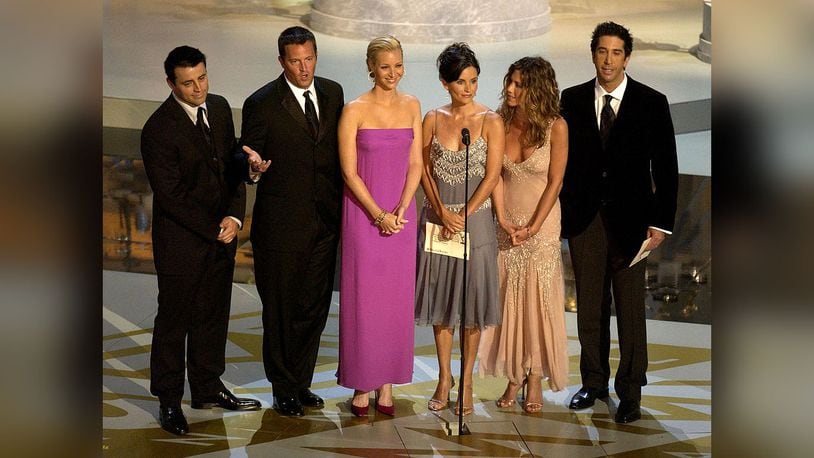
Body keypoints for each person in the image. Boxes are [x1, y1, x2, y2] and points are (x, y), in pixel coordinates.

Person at [560, 21, 678, 424]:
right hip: (585, 221)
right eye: (601, 51)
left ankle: (630, 391)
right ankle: (593, 382)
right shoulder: (571, 99)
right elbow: (564, 163)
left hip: (633, 223)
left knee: (630, 310)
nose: (608, 60)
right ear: (593, 54)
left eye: (616, 53)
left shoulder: (652, 101)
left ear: (627, 58)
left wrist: (661, 223)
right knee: (590, 307)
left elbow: (666, 167)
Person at [141, 45, 261, 436]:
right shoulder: (159, 129)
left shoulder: (221, 107)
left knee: (213, 315)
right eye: (188, 83)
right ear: (171, 84)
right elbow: (171, 196)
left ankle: (207, 388)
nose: (198, 88)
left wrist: (235, 210)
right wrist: (215, 225)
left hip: (220, 234)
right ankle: (169, 400)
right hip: (181, 243)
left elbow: (231, 164)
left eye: (202, 78)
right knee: (175, 321)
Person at [239, 26, 345, 417]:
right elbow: (246, 155)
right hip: (281, 227)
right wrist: (253, 168)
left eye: (309, 58)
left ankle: (300, 382)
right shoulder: (262, 103)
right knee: (281, 310)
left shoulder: (333, 93)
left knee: (313, 308)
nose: (304, 68)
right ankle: (283, 386)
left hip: (325, 223)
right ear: (282, 61)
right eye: (295, 60)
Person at [336, 36, 423, 417]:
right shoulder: (354, 109)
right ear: (371, 67)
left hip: (401, 217)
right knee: (364, 302)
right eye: (385, 66)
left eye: (398, 65)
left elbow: (416, 164)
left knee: (394, 304)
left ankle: (386, 382)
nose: (393, 73)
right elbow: (349, 172)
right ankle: (361, 382)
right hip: (363, 217)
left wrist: (402, 207)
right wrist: (378, 214)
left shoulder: (412, 105)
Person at [415, 43, 503, 416]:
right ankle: (444, 378)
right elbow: (421, 167)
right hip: (438, 223)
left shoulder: (491, 120)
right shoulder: (433, 118)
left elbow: (493, 173)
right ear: (445, 83)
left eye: (474, 81)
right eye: (462, 82)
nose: (469, 89)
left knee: (469, 305)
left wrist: (464, 213)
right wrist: (438, 209)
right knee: (441, 303)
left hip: (476, 222)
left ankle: (466, 381)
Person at [478, 57, 570, 414]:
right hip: (506, 224)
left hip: (541, 225)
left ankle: (533, 377)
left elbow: (555, 181)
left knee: (538, 301)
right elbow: (496, 175)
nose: (511, 90)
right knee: (509, 301)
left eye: (520, 84)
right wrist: (502, 218)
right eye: (510, 83)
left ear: (537, 88)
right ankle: (513, 376)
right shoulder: (500, 123)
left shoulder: (556, 127)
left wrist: (533, 225)